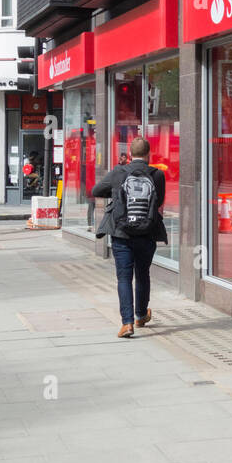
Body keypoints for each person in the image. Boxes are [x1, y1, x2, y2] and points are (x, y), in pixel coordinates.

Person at [89, 137, 167, 338]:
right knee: (143, 275)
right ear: (149, 155)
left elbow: (96, 190)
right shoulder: (157, 175)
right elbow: (159, 200)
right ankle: (141, 315)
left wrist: (116, 193)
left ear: (130, 154)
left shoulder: (118, 172)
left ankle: (127, 324)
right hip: (147, 233)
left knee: (124, 278)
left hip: (121, 234)